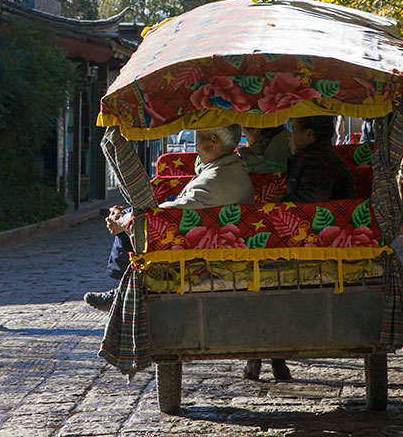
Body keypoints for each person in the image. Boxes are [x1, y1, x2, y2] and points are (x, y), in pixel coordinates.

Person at [84, 124, 253, 310]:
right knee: (132, 217)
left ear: (214, 141)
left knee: (138, 222)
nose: (196, 148)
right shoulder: (228, 169)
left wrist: (124, 219)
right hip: (206, 233)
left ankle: (124, 290)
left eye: (198, 140)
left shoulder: (215, 179)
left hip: (198, 247)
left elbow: (169, 214)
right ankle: (122, 288)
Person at [244, 115, 355, 382]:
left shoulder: (314, 162)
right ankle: (268, 355)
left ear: (310, 135)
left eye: (294, 131)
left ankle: (263, 353)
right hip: (321, 242)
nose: (289, 137)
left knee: (261, 273)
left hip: (317, 247)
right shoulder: (316, 159)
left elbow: (308, 208)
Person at [282, 115, 356, 203]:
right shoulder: (326, 155)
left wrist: (284, 200)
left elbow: (314, 196)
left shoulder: (312, 161)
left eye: (293, 132)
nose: (289, 137)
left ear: (308, 134)